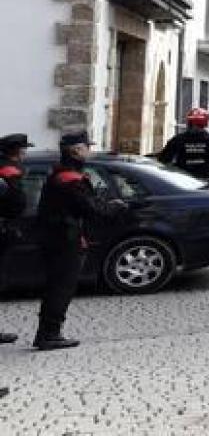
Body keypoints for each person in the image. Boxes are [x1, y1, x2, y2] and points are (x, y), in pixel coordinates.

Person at [35, 132, 126, 350]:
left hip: (56, 237)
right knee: (61, 288)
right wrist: (115, 206)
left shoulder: (60, 173)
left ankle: (47, 333)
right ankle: (49, 334)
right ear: (76, 151)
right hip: (65, 240)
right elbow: (92, 209)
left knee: (56, 287)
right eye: (87, 147)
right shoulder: (71, 179)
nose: (89, 151)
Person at [0, 133, 32, 349]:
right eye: (23, 150)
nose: (25, 153)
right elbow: (18, 203)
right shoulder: (9, 171)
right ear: (17, 152)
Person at [155, 107, 209, 180]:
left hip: (182, 181)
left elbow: (163, 159)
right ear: (205, 123)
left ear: (189, 123)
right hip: (205, 181)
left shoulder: (178, 139)